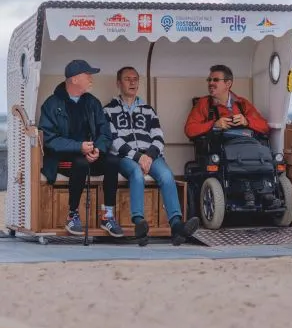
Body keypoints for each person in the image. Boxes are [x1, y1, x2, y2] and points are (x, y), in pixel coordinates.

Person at [104, 66, 199, 246]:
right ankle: (139, 222)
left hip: (151, 156)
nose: (132, 82)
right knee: (137, 174)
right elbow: (113, 141)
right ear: (118, 83)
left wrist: (148, 155)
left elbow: (158, 137)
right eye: (127, 79)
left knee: (166, 175)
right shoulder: (108, 110)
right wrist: (138, 157)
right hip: (126, 158)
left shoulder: (148, 110)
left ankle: (176, 224)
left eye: (135, 79)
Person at [38, 59, 123, 238]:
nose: (92, 79)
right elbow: (49, 139)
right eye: (88, 75)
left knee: (113, 161)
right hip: (63, 160)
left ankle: (107, 215)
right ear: (75, 79)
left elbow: (105, 132)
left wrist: (97, 149)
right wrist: (79, 147)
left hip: (89, 154)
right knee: (80, 163)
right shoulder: (51, 104)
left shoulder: (92, 102)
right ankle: (72, 214)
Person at [184, 64, 270, 139]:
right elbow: (189, 130)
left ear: (228, 84)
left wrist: (246, 121)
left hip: (243, 149)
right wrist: (214, 125)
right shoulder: (203, 104)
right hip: (218, 153)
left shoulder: (242, 104)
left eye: (216, 80)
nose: (210, 83)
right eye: (209, 80)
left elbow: (265, 127)